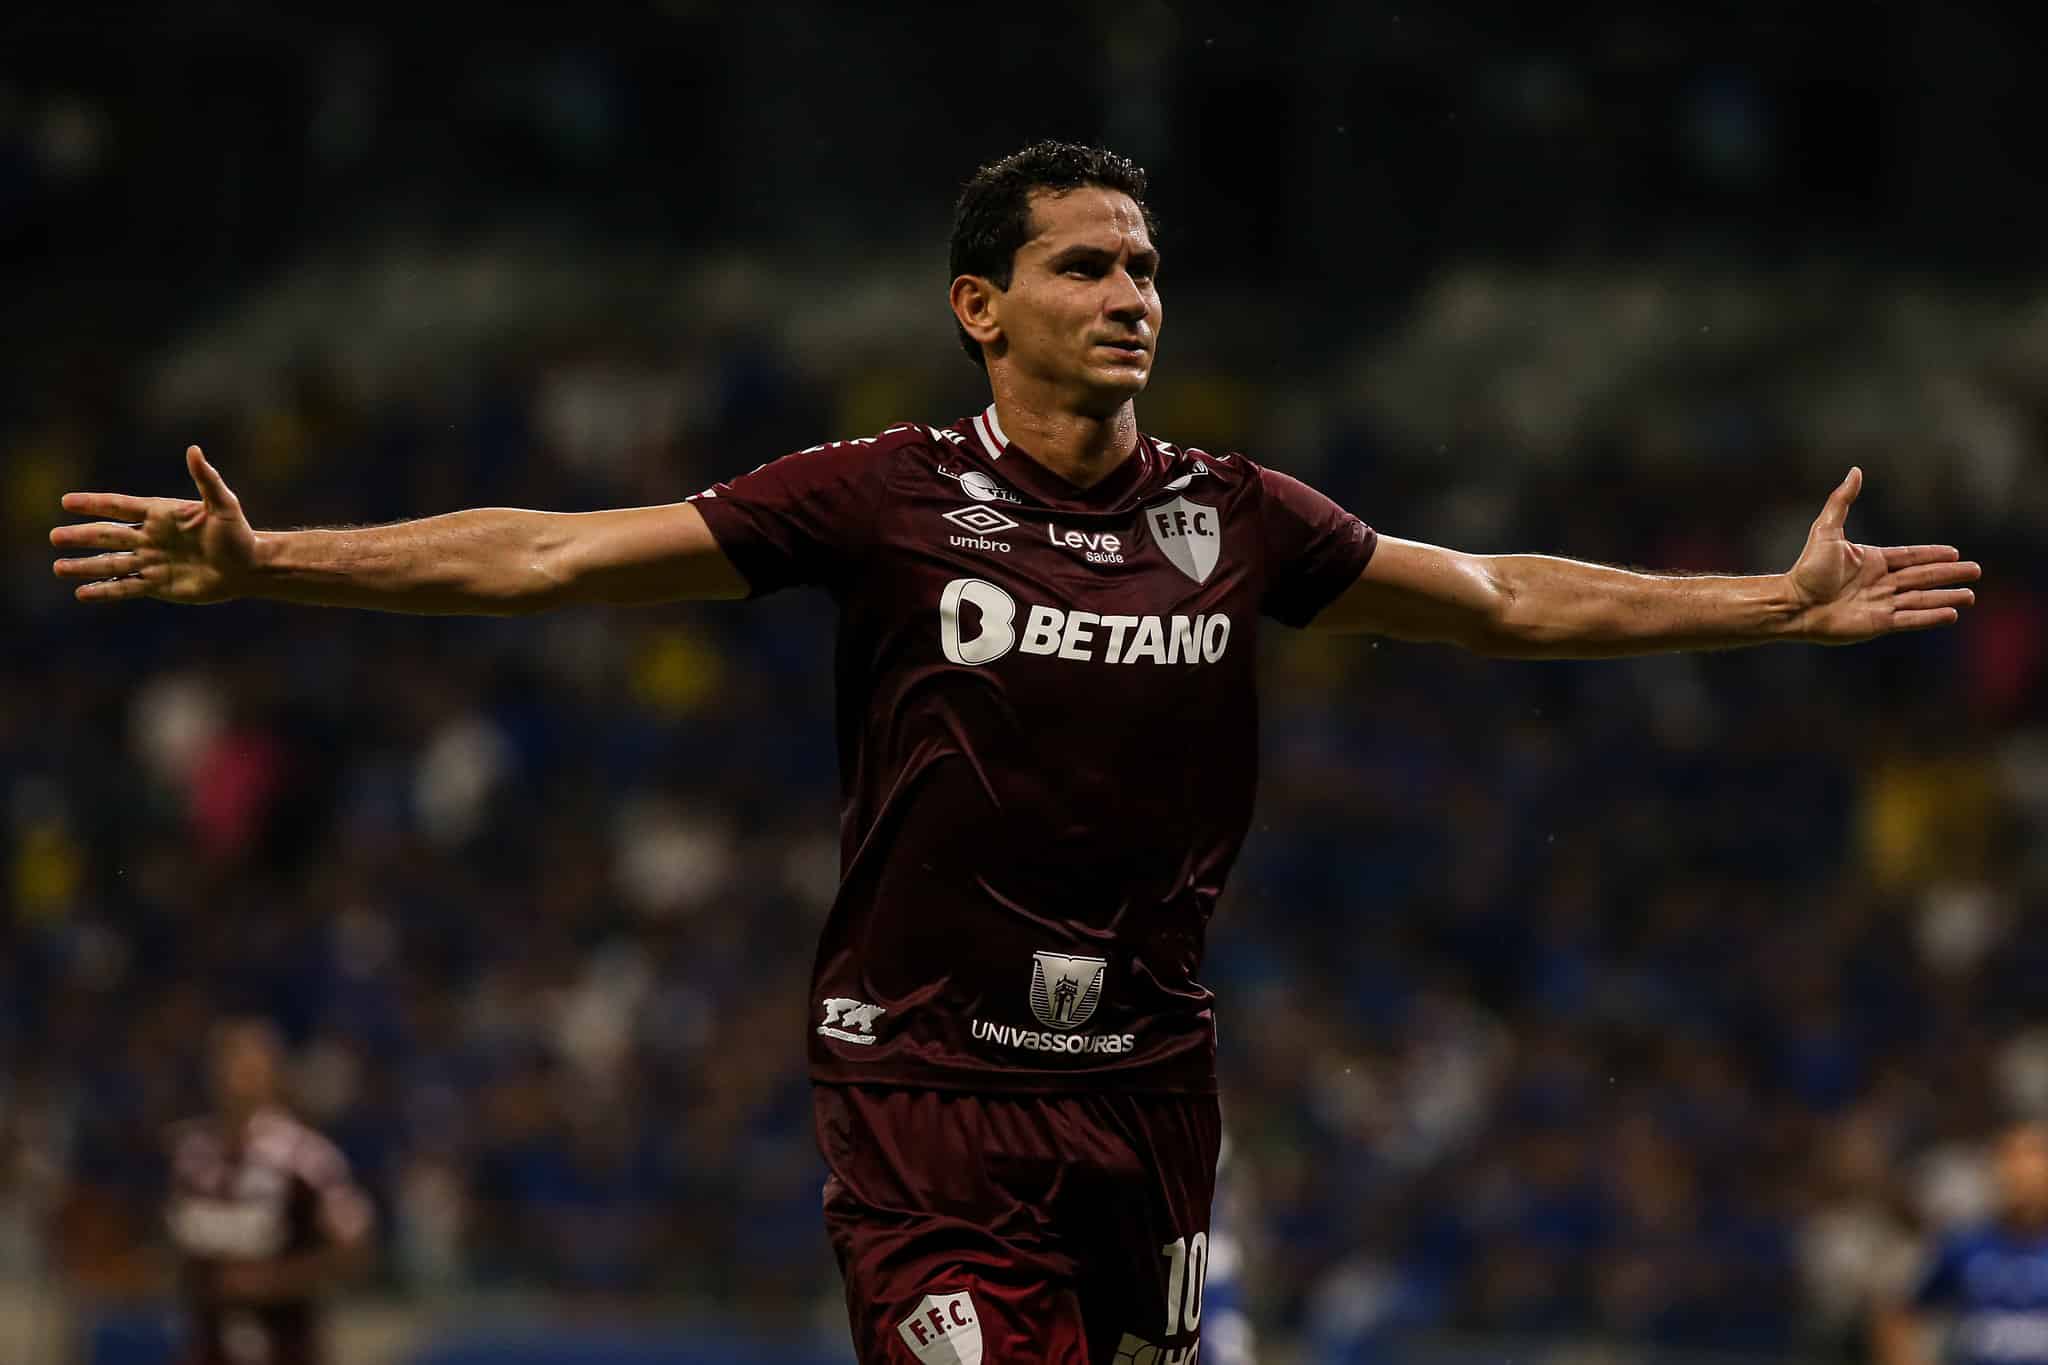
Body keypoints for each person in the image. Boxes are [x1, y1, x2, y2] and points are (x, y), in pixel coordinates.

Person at [52, 142, 1977, 1363]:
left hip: (1147, 1080)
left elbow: (1494, 599)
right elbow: (552, 554)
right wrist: (275, 560)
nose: (1130, 296)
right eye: (1083, 268)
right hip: (924, 1087)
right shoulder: (879, 499)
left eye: (1143, 270)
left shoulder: (1240, 515)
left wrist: (1768, 603)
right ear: (980, 309)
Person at [163, 1019, 375, 1365]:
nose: (235, 1076)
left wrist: (274, 1281)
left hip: (283, 1350)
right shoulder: (190, 1154)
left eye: (249, 1064)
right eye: (227, 1062)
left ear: (273, 1072)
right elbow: (181, 1246)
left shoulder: (305, 1157)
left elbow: (354, 1250)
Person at [1873, 1122, 2048, 1365]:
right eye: (2012, 1158)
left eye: (2034, 1158)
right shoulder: (1965, 1246)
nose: (2023, 1172)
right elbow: (1898, 1316)